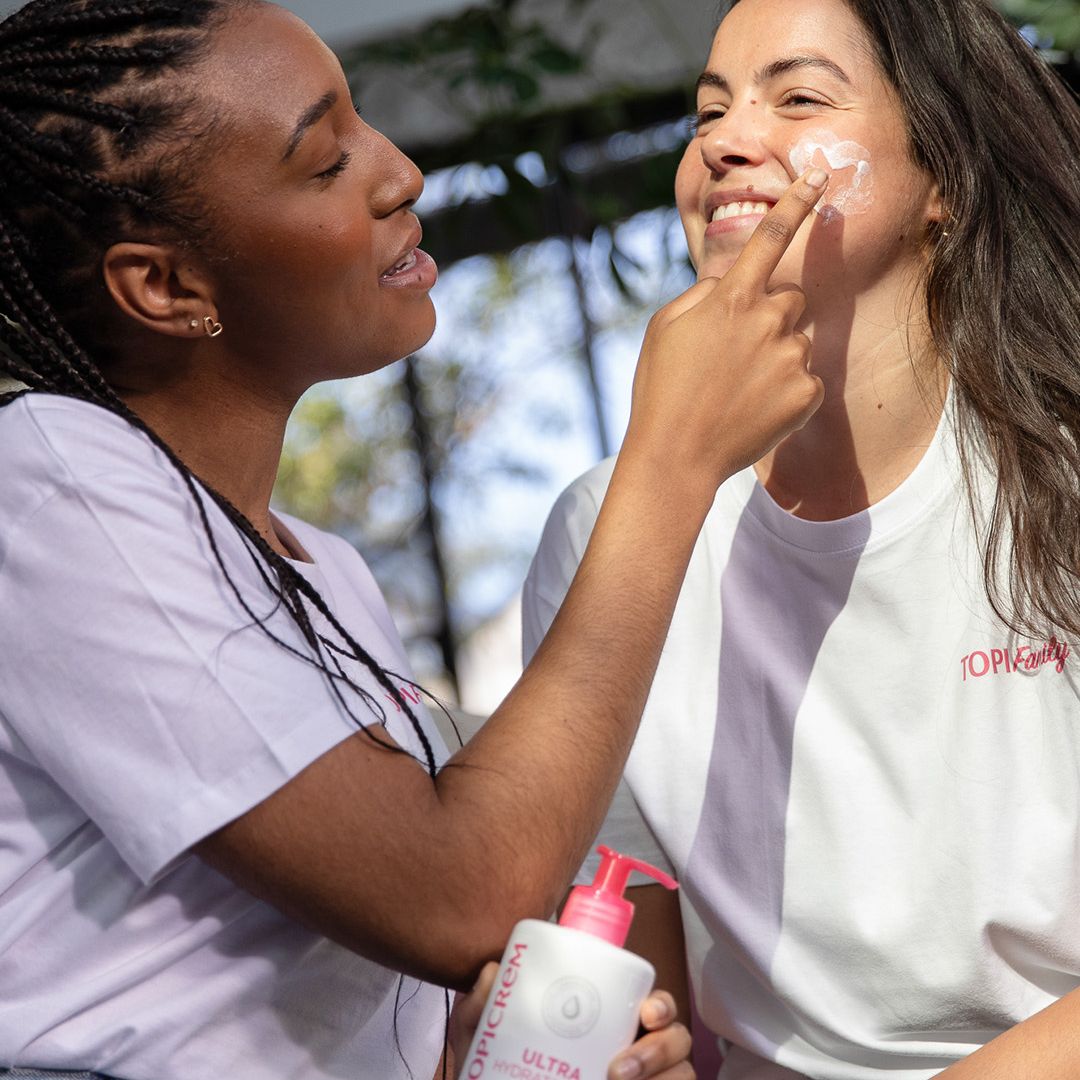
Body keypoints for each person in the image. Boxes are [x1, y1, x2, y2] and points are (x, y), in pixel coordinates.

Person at [0, 1, 832, 1078]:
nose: (398, 174)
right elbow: (457, 896)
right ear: (163, 285)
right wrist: (670, 463)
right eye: (324, 161)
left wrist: (496, 1051)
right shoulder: (45, 481)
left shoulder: (324, 575)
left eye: (366, 124)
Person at [523, 0, 1080, 1077]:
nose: (724, 139)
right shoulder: (608, 526)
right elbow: (625, 933)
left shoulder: (1055, 479)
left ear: (945, 183)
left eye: (798, 97)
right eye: (706, 111)